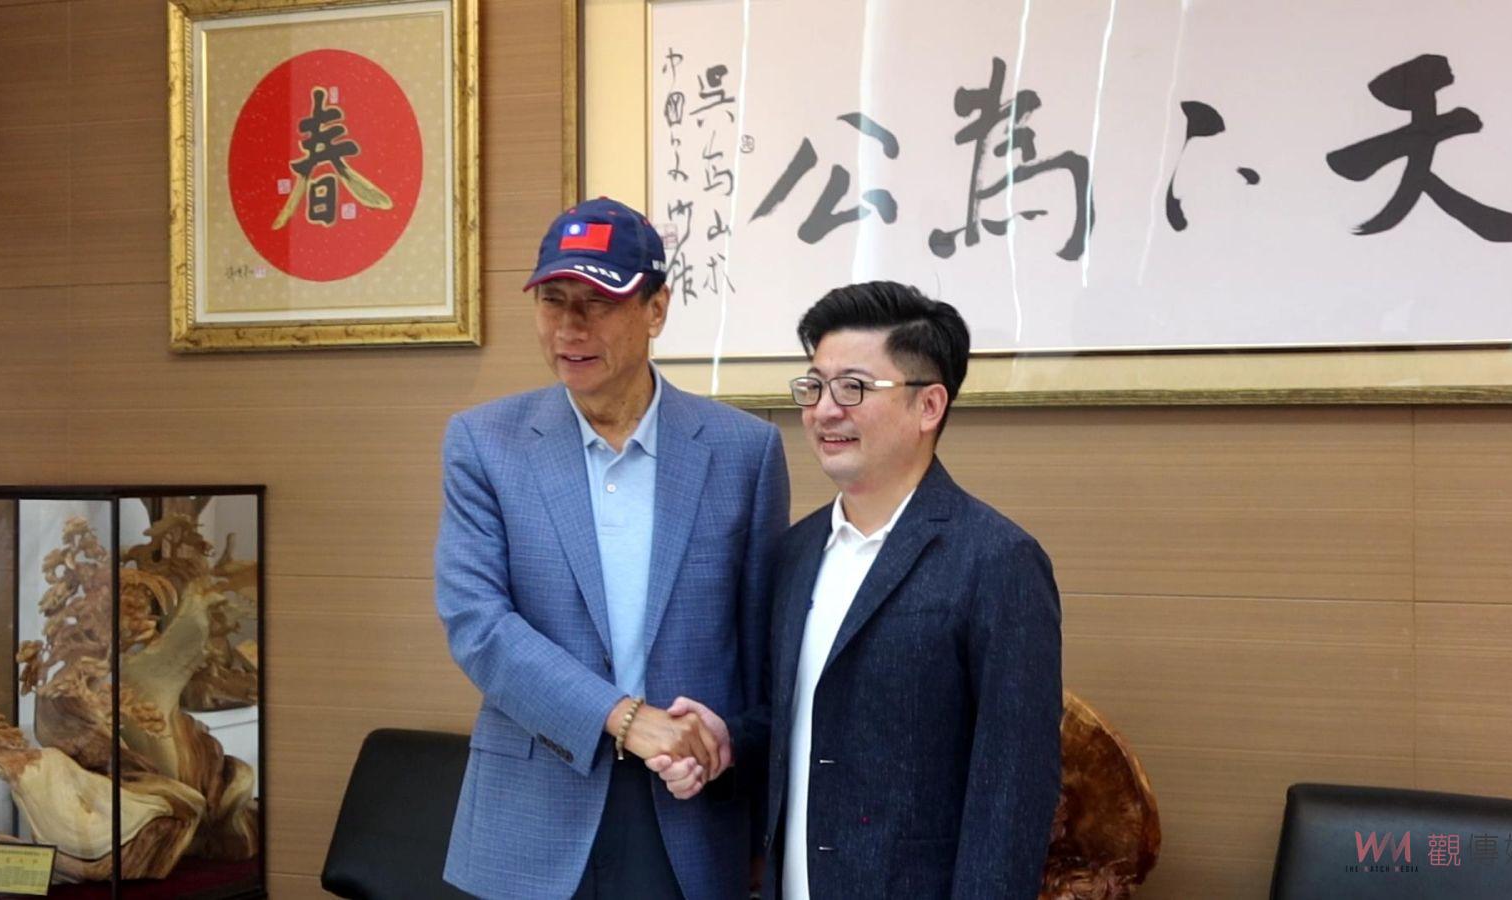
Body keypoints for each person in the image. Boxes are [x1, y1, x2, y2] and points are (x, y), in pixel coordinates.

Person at [435, 197, 789, 899]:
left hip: (686, 809)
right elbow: (478, 624)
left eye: (598, 302)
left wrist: (749, 803)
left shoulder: (743, 452)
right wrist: (626, 718)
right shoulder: (484, 443)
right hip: (531, 808)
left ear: (656, 309)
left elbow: (761, 660)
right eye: (554, 301)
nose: (571, 327)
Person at [660, 281, 1061, 897]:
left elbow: (1013, 792)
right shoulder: (795, 553)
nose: (824, 410)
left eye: (853, 388)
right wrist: (729, 743)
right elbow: (807, 725)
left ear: (928, 406)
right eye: (814, 386)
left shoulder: (997, 561)